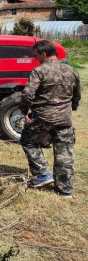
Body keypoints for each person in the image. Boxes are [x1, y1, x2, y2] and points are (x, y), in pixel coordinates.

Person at [19, 39, 81, 198]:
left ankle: (42, 174)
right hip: (64, 118)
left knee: (28, 140)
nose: (35, 59)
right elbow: (77, 95)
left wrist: (25, 110)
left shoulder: (39, 71)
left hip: (43, 117)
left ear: (44, 54)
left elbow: (27, 94)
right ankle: (65, 189)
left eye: (36, 55)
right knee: (64, 151)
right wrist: (71, 107)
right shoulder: (71, 70)